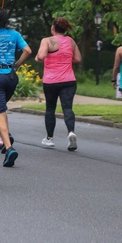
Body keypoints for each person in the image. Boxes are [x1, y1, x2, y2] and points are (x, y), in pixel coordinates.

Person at [0, 7, 33, 167]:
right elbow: (28, 50)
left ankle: (9, 148)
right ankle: (6, 134)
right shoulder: (14, 34)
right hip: (11, 76)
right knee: (1, 107)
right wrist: (16, 64)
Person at [36, 17, 83, 150]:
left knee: (50, 109)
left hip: (51, 81)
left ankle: (49, 138)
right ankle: (71, 132)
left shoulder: (47, 41)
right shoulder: (70, 41)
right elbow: (78, 59)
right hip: (69, 80)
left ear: (53, 28)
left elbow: (40, 56)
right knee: (67, 108)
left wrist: (38, 57)